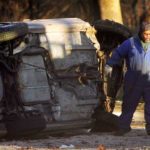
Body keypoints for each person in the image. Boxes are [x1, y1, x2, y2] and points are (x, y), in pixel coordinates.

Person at [105, 11, 150, 136]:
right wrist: (109, 64)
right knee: (129, 105)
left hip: (149, 80)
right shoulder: (130, 43)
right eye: (146, 34)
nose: (148, 36)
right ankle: (123, 127)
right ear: (140, 33)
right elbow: (118, 53)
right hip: (133, 80)